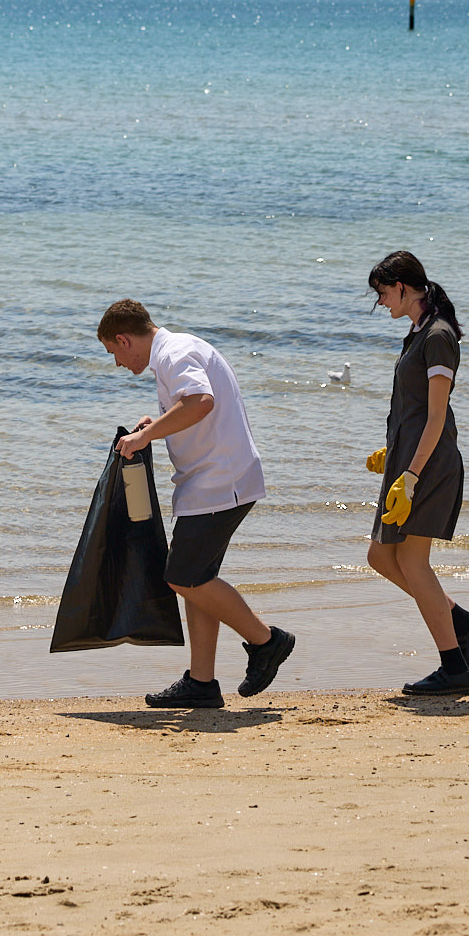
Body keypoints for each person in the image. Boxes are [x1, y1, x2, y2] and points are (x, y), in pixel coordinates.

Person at [97, 299, 295, 708]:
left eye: (113, 352)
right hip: (212, 481)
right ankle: (202, 681)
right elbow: (191, 406)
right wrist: (156, 424)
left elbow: (201, 401)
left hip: (219, 482)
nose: (117, 362)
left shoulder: (174, 353)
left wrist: (146, 436)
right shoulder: (174, 352)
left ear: (124, 339)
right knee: (197, 580)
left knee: (183, 577)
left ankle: (266, 641)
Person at [365, 251, 469, 696]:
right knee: (380, 557)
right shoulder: (418, 332)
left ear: (403, 287)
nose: (381, 302)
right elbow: (416, 409)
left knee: (412, 562)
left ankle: (455, 666)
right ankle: (462, 622)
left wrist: (412, 475)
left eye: (383, 293)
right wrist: (393, 451)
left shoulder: (438, 335)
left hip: (428, 467)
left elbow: (437, 417)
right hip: (409, 461)